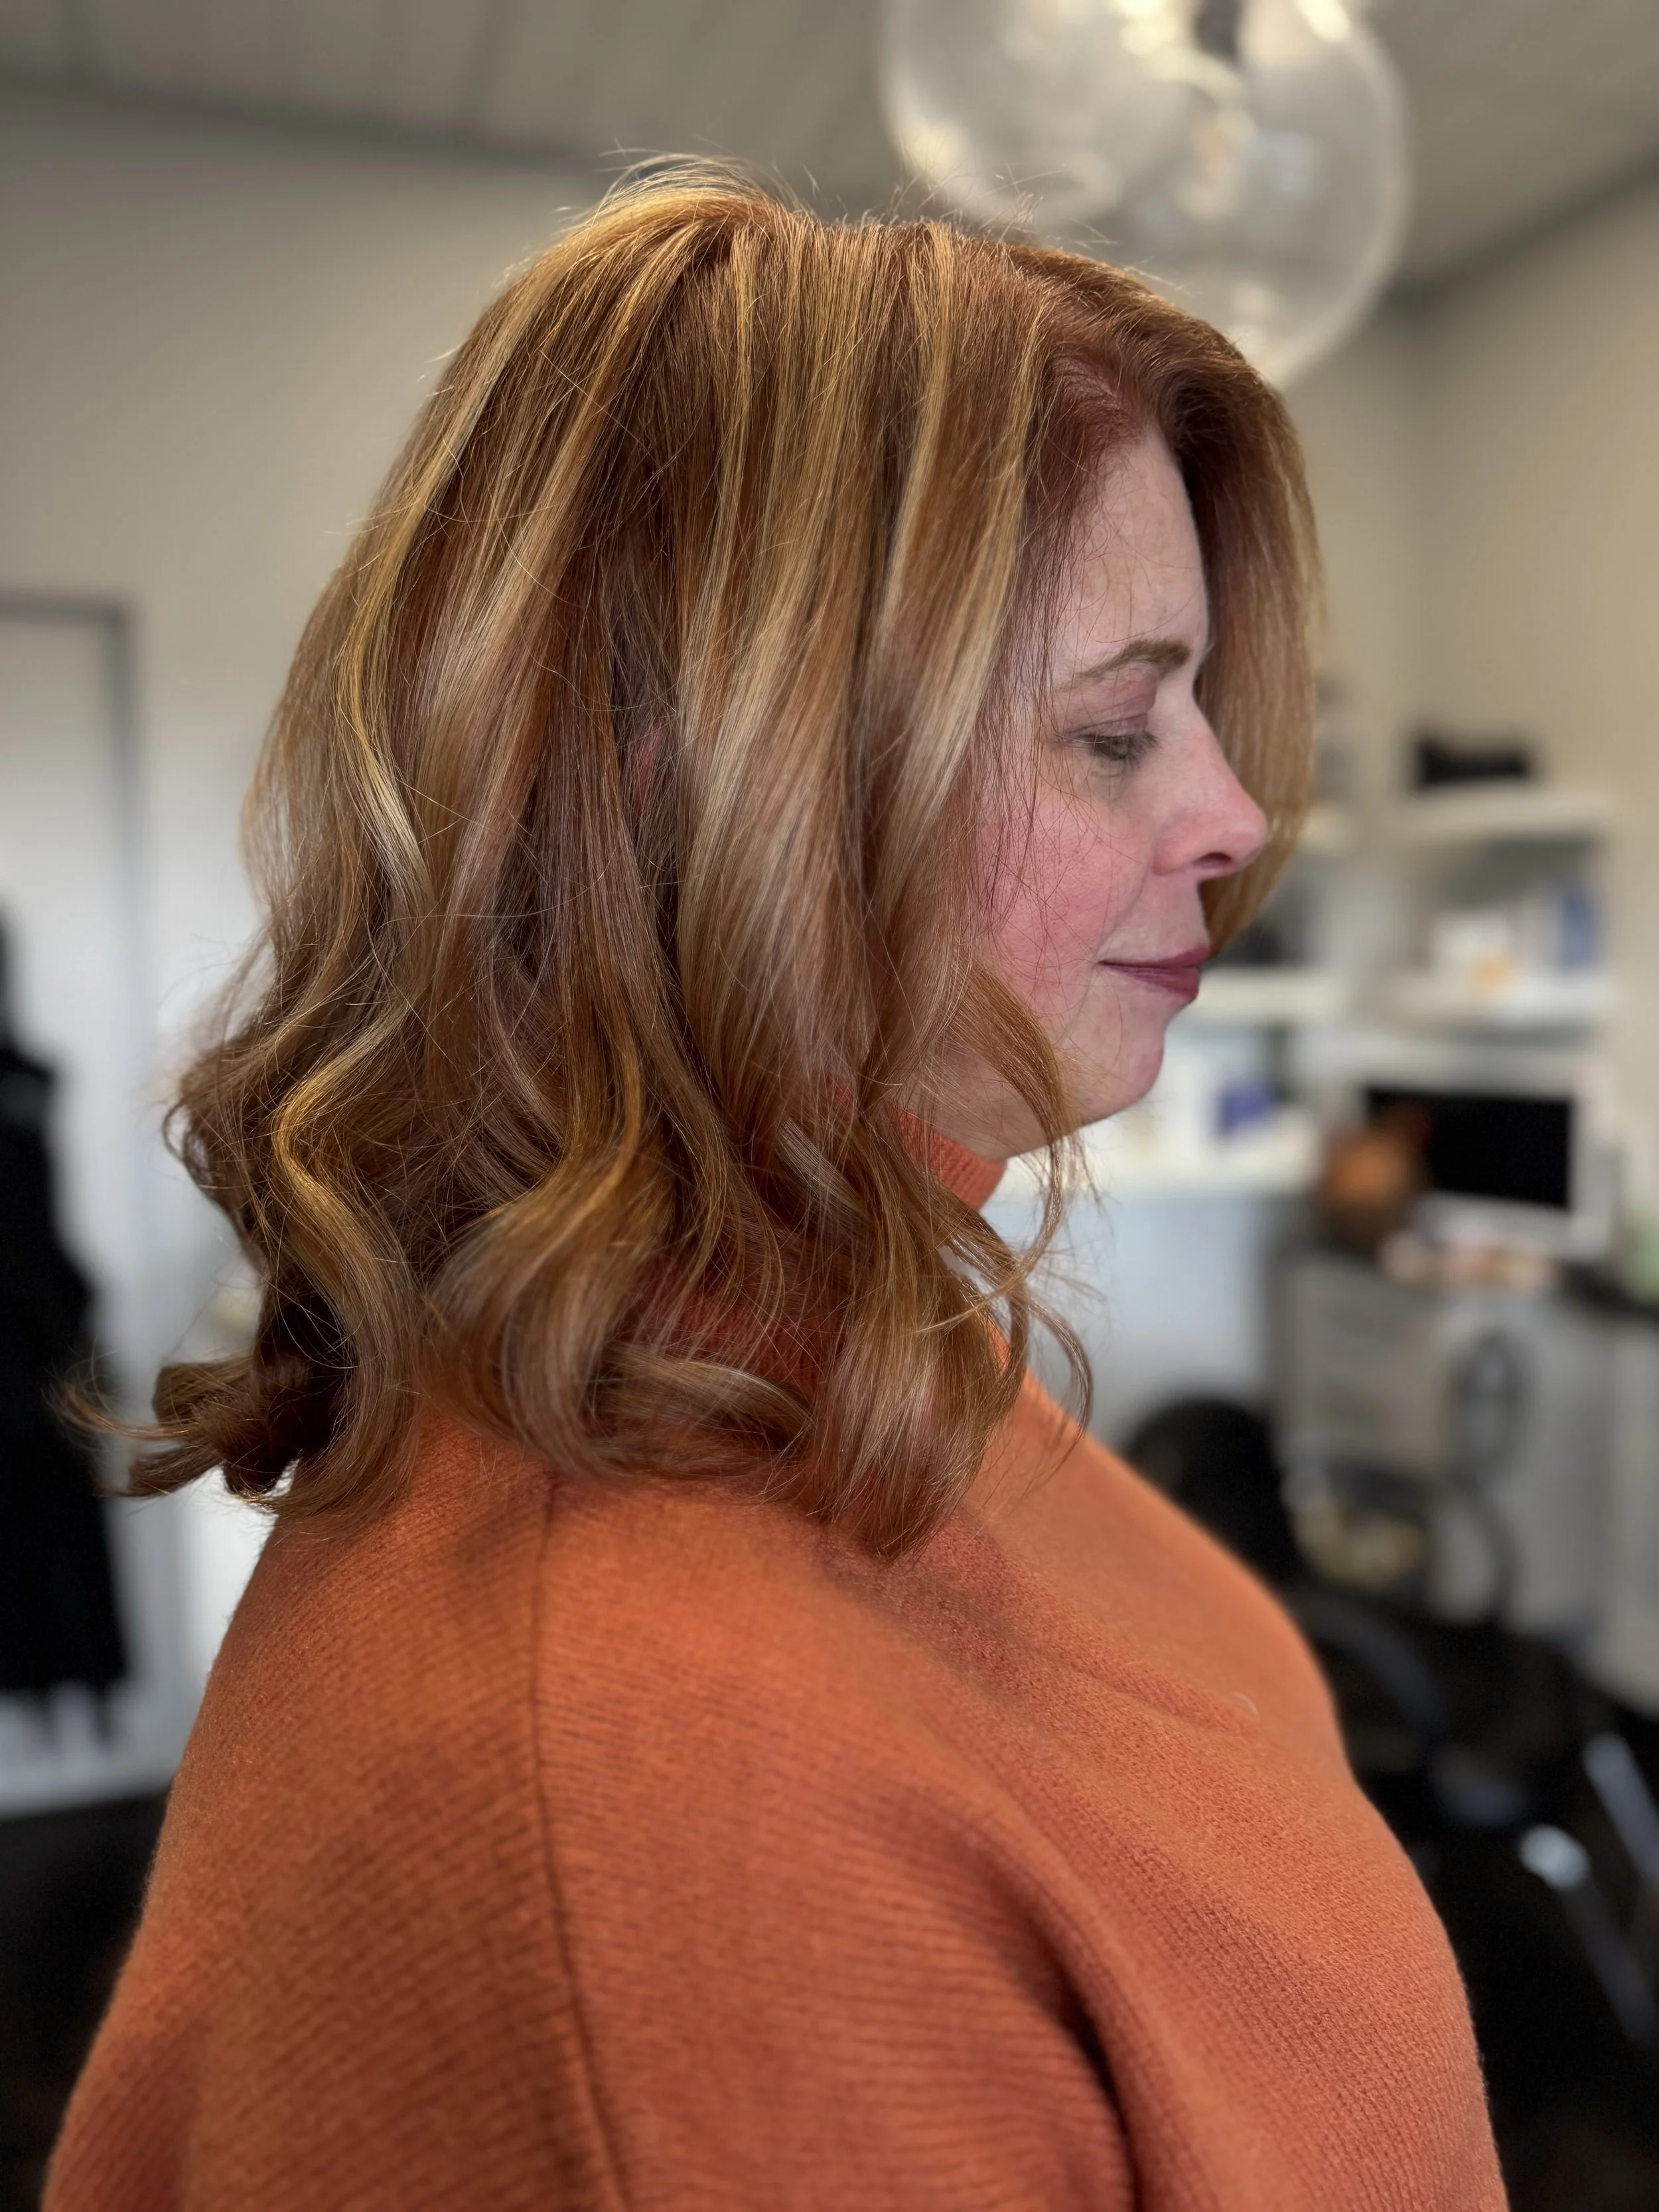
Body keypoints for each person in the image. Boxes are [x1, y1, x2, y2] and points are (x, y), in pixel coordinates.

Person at [46, 175, 1505, 2210]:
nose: (1236, 812)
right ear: (707, 770)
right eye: (1112, 726)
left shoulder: (814, 1332)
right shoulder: (649, 1863)